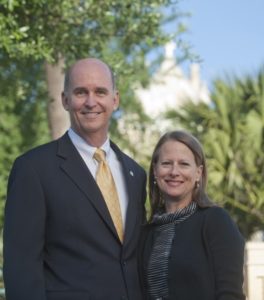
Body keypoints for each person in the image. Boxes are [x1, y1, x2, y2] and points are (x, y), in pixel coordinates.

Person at [3, 58, 147, 300]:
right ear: (65, 100)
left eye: (100, 91)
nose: (91, 102)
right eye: (81, 92)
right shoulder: (33, 169)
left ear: (115, 99)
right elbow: (21, 269)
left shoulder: (136, 174)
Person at [139, 130, 245, 300]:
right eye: (166, 163)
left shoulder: (216, 221)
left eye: (184, 164)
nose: (174, 171)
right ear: (155, 171)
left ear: (198, 173)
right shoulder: (146, 232)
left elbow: (230, 294)